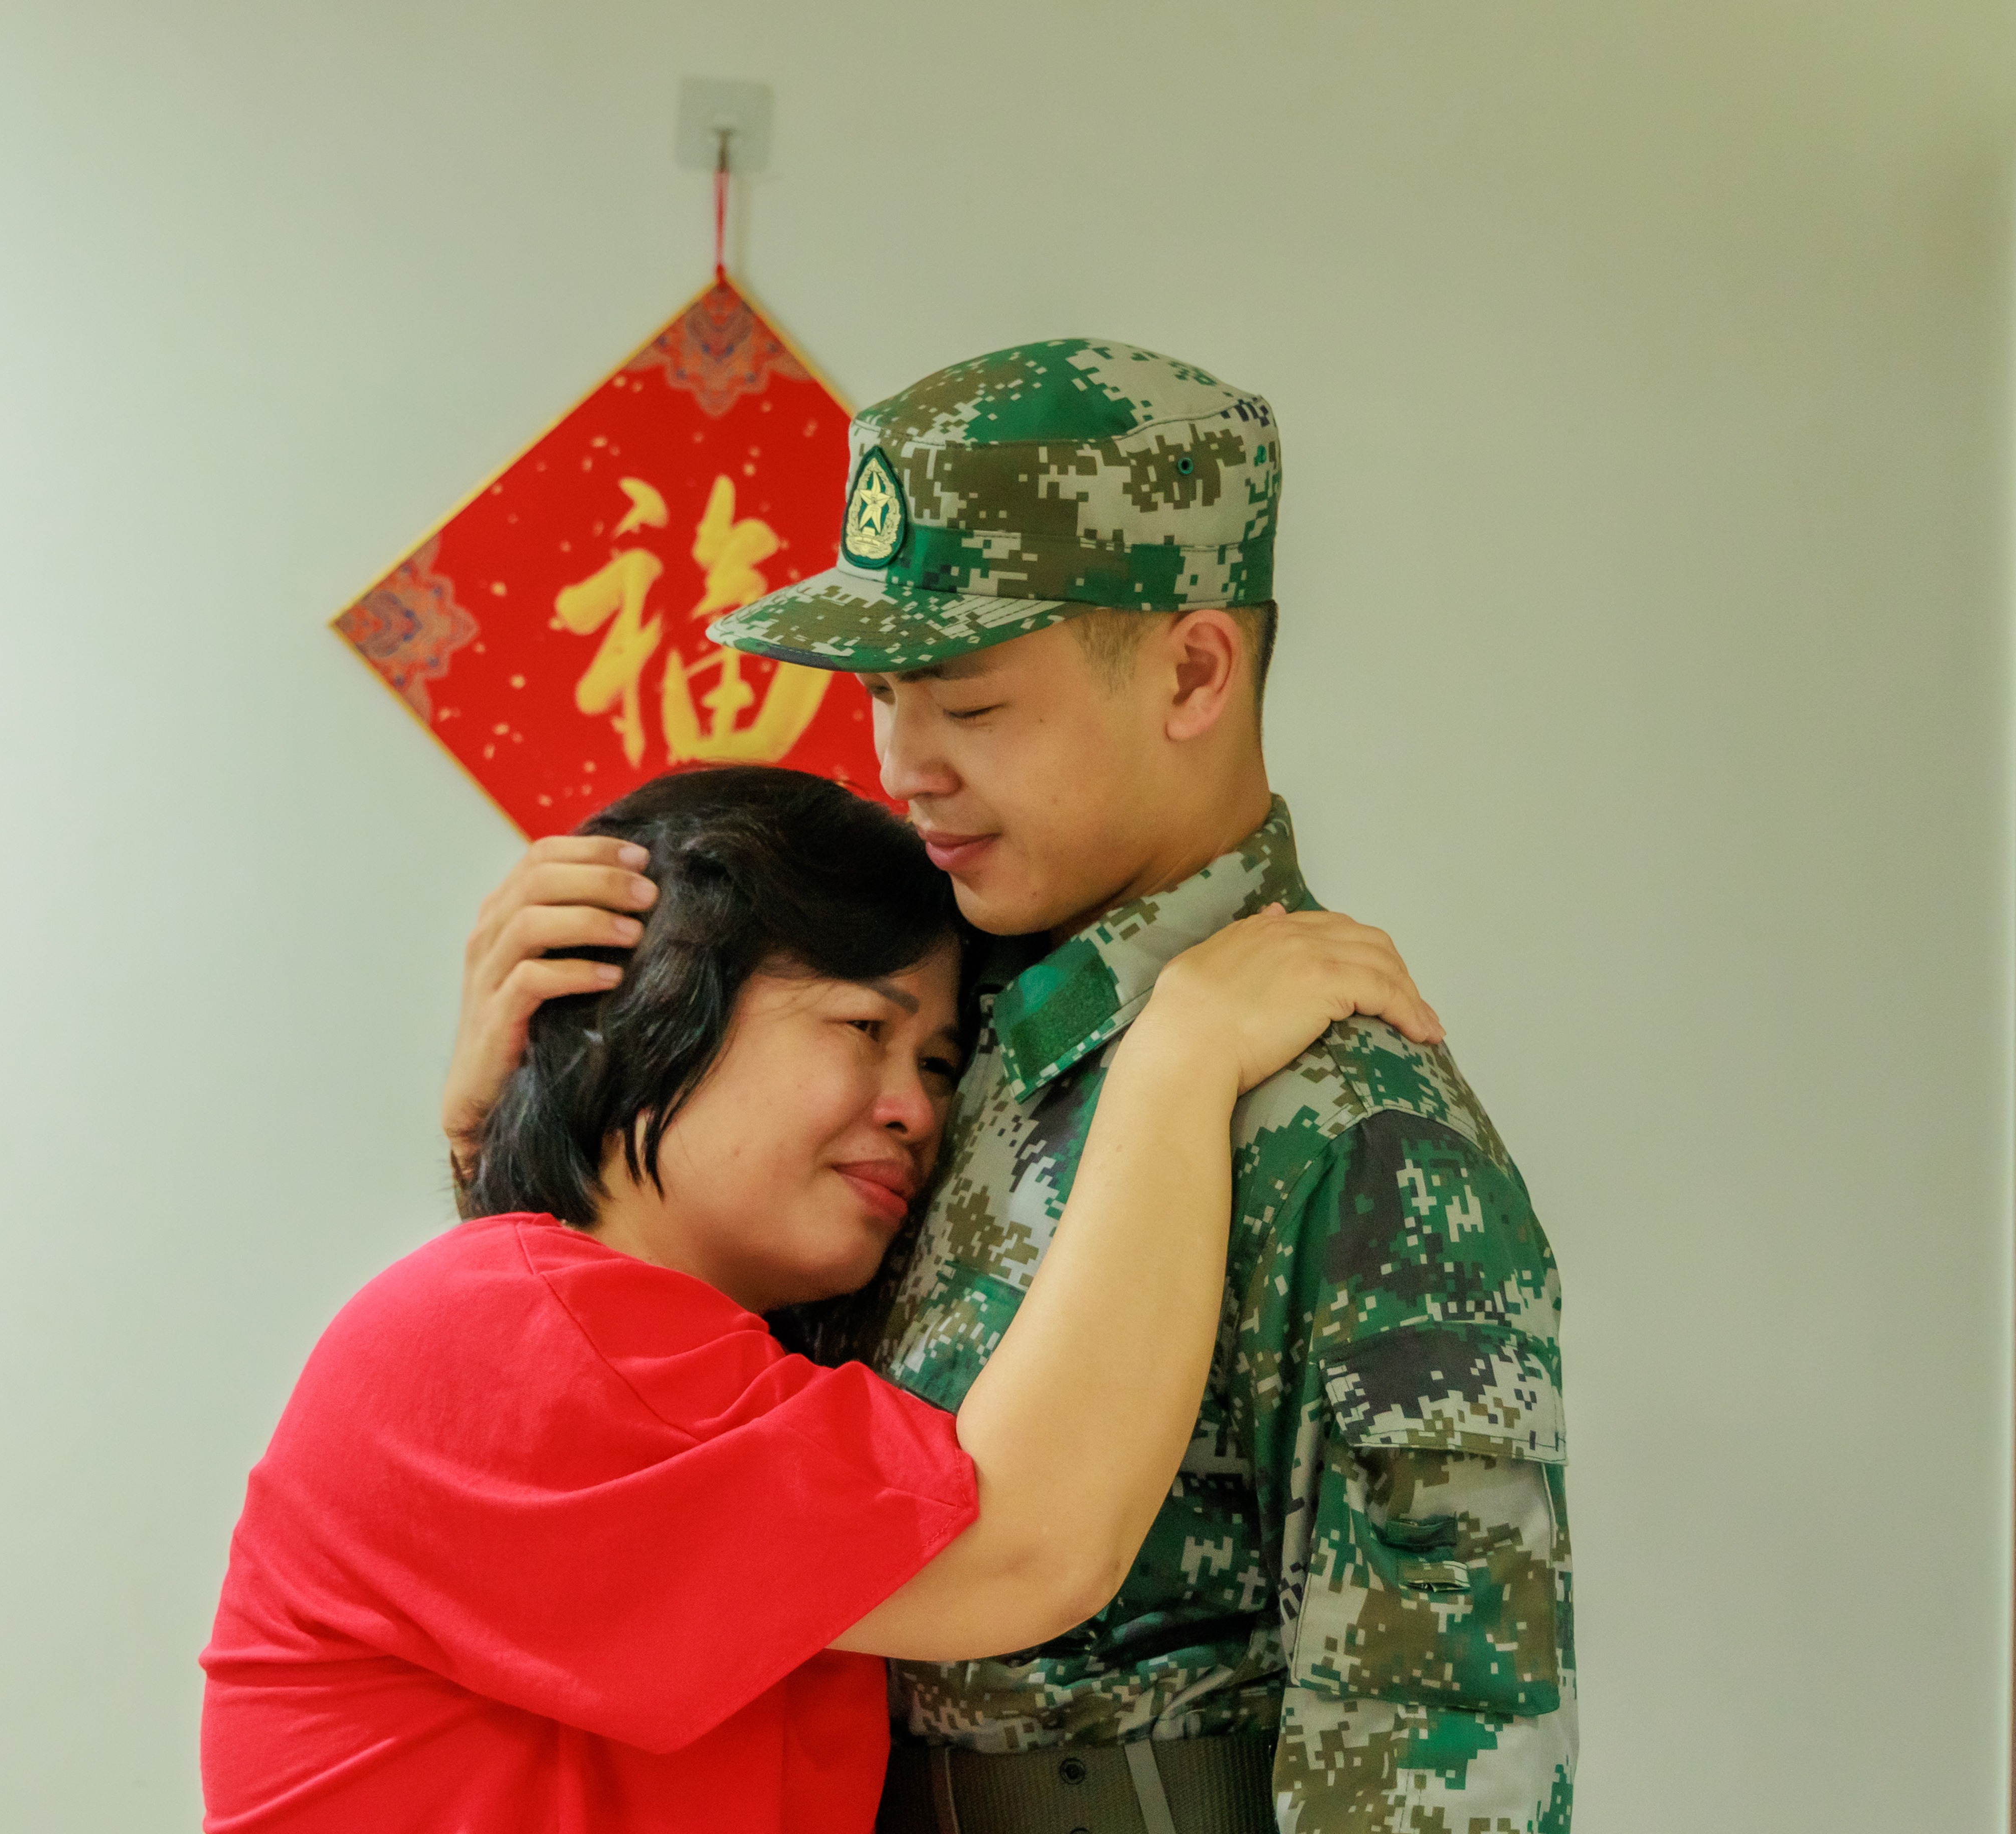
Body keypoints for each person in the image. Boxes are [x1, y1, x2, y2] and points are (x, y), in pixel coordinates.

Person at [447, 341, 1575, 1833]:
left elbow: (1443, 1734)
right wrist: (504, 1141)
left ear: (1192, 671)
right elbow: (662, 1433)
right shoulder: (915, 1028)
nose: (904, 764)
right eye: (884, 696)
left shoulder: (1345, 1119)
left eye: (969, 707)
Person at [201, 765, 1440, 1834]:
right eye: (861, 1026)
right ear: (655, 1001)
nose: (915, 1111)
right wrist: (1185, 1056)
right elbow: (1025, 1550)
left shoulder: (631, 1350)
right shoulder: (504, 1328)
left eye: (939, 1065)